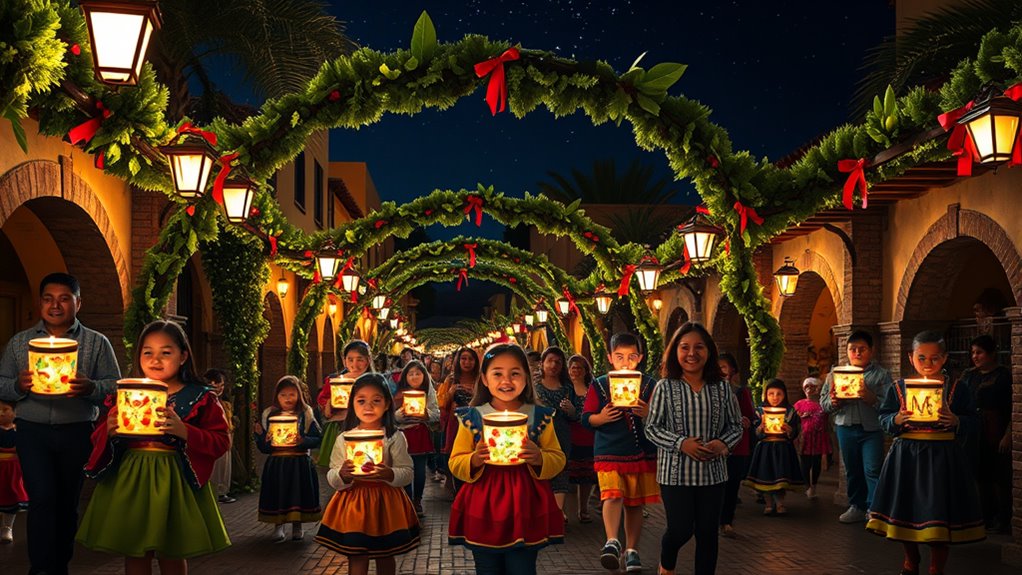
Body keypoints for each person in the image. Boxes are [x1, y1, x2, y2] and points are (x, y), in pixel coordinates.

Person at [76, 320, 231, 574]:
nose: (155, 359)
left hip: (176, 481)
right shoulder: (125, 393)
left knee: (172, 551)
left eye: (165, 352)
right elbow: (98, 437)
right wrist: (109, 429)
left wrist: (184, 431)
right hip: (132, 479)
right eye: (148, 352)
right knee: (135, 550)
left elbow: (221, 441)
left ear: (183, 356)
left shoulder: (200, 397)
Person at [0, 272, 121, 575]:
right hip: (32, 431)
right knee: (41, 499)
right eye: (48, 299)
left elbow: (116, 386)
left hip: (77, 431)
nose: (55, 305)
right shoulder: (20, 343)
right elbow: (1, 385)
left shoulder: (96, 343)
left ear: (78, 303)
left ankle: (60, 566)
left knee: (67, 503)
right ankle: (40, 569)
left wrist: (91, 388)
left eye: (64, 298)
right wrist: (18, 385)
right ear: (40, 303)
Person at [866, 331, 984, 575]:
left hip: (943, 458)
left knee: (939, 514)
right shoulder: (899, 388)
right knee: (906, 510)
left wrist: (957, 420)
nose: (928, 364)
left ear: (944, 358)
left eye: (934, 359)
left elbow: (975, 420)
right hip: (906, 457)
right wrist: (896, 418)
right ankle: (911, 560)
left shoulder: (957, 389)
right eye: (922, 358)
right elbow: (884, 418)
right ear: (911, 358)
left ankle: (936, 568)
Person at [447, 343, 565, 575]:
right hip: (484, 505)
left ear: (526, 377)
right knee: (487, 568)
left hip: (525, 503)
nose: (506, 381)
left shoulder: (539, 417)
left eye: (515, 373)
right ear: (485, 378)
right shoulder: (473, 418)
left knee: (522, 567)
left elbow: (558, 458)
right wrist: (474, 459)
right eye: (497, 373)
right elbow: (455, 461)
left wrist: (539, 457)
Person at [645, 322, 742, 575]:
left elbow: (735, 426)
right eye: (684, 347)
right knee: (680, 529)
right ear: (675, 351)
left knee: (708, 534)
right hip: (675, 474)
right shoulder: (665, 387)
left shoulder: (722, 388)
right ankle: (666, 566)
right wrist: (681, 443)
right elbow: (652, 428)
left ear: (708, 351)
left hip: (713, 474)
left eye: (699, 347)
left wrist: (723, 443)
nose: (691, 353)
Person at [315, 373, 419, 575]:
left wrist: (390, 474)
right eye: (361, 400)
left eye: (376, 400)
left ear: (387, 404)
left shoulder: (393, 437)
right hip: (354, 504)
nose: (368, 406)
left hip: (386, 503)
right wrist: (342, 475)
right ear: (352, 403)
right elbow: (332, 473)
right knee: (356, 554)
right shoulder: (344, 438)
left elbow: (407, 471)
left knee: (385, 553)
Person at [582, 333, 659, 574]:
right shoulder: (600, 384)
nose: (625, 362)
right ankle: (612, 540)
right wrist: (601, 418)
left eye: (631, 357)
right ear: (610, 358)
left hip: (640, 451)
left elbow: (661, 418)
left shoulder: (649, 384)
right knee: (612, 495)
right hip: (609, 451)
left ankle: (633, 550)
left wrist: (648, 413)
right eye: (619, 357)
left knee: (634, 503)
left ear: (640, 358)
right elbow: (586, 418)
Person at [820, 330, 892, 523]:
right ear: (847, 351)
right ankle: (857, 506)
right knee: (852, 469)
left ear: (872, 351)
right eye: (853, 349)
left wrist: (871, 398)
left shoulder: (881, 375)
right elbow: (824, 403)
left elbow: (890, 404)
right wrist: (835, 403)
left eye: (862, 349)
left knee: (872, 468)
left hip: (871, 429)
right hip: (845, 427)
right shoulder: (836, 374)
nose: (857, 353)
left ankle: (875, 509)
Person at [254, 375, 322, 542]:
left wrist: (303, 441)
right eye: (283, 395)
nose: (288, 398)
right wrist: (261, 435)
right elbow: (265, 447)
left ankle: (297, 526)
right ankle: (278, 525)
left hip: (299, 462)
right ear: (277, 396)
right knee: (279, 492)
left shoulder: (305, 414)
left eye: (292, 394)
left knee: (298, 494)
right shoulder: (269, 414)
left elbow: (317, 438)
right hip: (278, 462)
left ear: (299, 394)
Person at [957, 334, 1012, 532]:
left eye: (979, 352)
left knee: (1000, 476)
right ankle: (983, 516)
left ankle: (1003, 518)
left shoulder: (1004, 375)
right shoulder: (968, 375)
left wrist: (1008, 433)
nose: (975, 356)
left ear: (991, 353)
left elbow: (1013, 407)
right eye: (973, 352)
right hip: (973, 431)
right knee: (978, 475)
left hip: (996, 429)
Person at [746, 379, 804, 516]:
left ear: (785, 395)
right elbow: (754, 432)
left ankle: (780, 503)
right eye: (771, 394)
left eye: (779, 394)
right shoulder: (759, 411)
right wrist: (760, 428)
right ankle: (768, 504)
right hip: (764, 449)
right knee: (766, 476)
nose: (775, 397)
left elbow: (795, 431)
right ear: (765, 395)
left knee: (780, 478)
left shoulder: (790, 412)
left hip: (783, 449)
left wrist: (790, 430)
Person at [394, 359, 440, 517]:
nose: (414, 377)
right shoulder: (398, 393)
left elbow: (436, 413)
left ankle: (417, 500)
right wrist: (400, 415)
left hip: (420, 434)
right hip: (403, 435)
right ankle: (405, 499)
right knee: (404, 468)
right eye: (410, 374)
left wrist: (426, 414)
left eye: (418, 373)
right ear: (405, 376)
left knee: (419, 470)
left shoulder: (429, 392)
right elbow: (392, 415)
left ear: (424, 376)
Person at [317, 340, 373, 467]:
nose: (355, 364)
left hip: (366, 426)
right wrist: (330, 403)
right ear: (344, 361)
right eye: (350, 359)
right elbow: (323, 400)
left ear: (368, 360)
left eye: (360, 359)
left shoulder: (374, 381)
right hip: (339, 426)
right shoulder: (335, 381)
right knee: (340, 466)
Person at [534, 346, 575, 520]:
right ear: (542, 363)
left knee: (560, 468)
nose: (553, 365)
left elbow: (575, 415)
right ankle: (541, 508)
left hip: (561, 431)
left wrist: (571, 410)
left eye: (558, 362)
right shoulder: (534, 386)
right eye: (550, 361)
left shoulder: (567, 388)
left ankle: (558, 512)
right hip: (539, 432)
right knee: (540, 468)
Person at [716, 352, 754, 538]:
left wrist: (746, 421)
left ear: (732, 370)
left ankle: (726, 522)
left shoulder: (739, 392)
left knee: (731, 486)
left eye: (724, 367)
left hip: (737, 446)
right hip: (715, 445)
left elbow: (751, 417)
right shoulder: (708, 391)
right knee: (716, 486)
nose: (720, 371)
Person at [437, 346, 480, 497]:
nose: (467, 362)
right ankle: (455, 483)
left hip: (474, 422)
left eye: (470, 359)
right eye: (463, 358)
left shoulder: (480, 380)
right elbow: (441, 402)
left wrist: (474, 393)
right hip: (455, 422)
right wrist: (451, 392)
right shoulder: (451, 379)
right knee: (454, 451)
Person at [566, 354, 597, 523]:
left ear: (586, 371)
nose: (576, 371)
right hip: (570, 435)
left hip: (588, 435)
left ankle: (583, 509)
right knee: (567, 474)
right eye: (573, 367)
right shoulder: (565, 388)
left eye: (579, 367)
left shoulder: (592, 388)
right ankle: (563, 512)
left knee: (587, 475)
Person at [204, 368, 237, 504]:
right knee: (215, 467)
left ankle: (223, 492)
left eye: (221, 385)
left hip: (226, 437)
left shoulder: (225, 403)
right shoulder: (206, 401)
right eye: (215, 385)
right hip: (213, 438)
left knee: (225, 466)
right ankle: (214, 492)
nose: (219, 389)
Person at [795, 377, 830, 499]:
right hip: (804, 438)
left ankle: (814, 486)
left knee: (816, 463)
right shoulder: (799, 404)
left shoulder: (823, 404)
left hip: (818, 439)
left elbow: (827, 421)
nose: (809, 390)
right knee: (804, 463)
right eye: (807, 387)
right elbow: (792, 420)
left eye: (812, 387)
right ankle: (807, 487)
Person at [0, 400, 27, 544]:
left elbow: (21, 447)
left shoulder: (18, 430)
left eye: (5, 409)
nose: (1, 413)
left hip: (12, 469)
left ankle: (7, 527)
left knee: (10, 497)